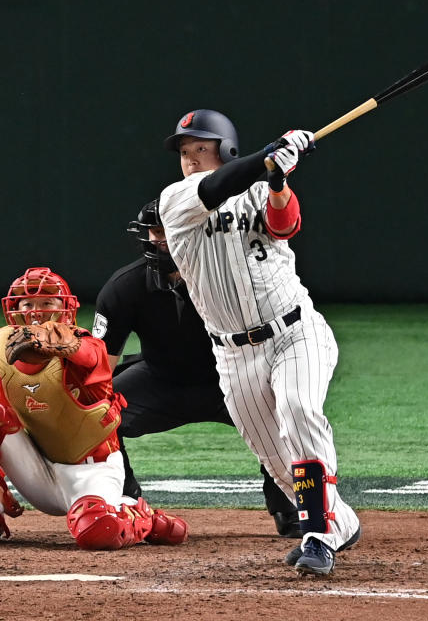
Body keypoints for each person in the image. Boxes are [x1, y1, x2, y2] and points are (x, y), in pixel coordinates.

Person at [157, 109, 360, 575]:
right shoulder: (176, 200)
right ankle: (338, 521)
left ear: (224, 149)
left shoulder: (257, 186)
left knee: (298, 410)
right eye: (185, 152)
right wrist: (271, 155)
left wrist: (278, 179)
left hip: (295, 331)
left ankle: (318, 535)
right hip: (232, 354)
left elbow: (285, 225)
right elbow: (216, 187)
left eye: (200, 149)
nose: (190, 159)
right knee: (276, 459)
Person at [0, 266, 188, 550]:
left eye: (46, 303)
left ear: (64, 309)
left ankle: (142, 516)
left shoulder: (89, 346)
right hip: (39, 468)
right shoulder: (5, 346)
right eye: (27, 304)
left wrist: (68, 345)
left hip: (93, 472)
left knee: (96, 532)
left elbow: (90, 355)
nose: (35, 312)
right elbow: (3, 418)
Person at [92, 199, 301, 538]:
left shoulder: (233, 277)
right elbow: (99, 368)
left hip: (231, 378)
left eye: (172, 230)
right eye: (157, 231)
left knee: (285, 409)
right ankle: (126, 505)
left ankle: (290, 507)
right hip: (161, 379)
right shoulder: (124, 287)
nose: (164, 240)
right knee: (97, 413)